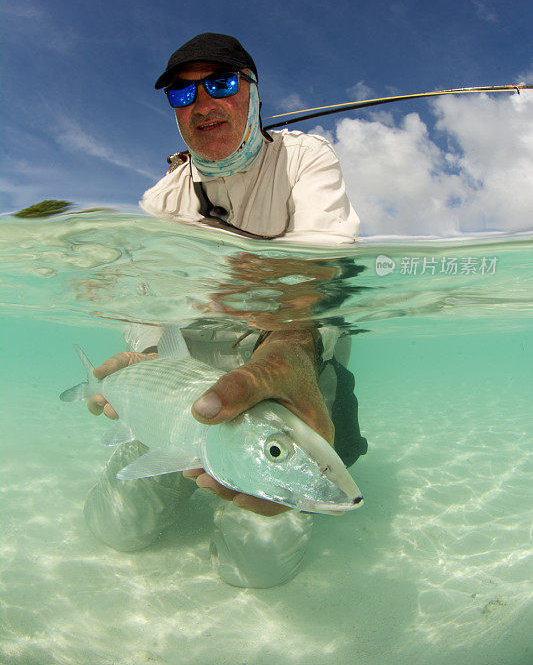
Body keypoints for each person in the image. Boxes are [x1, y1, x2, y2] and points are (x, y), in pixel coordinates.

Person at [85, 33, 367, 588]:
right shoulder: (160, 201)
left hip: (284, 377)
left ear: (254, 93)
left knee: (254, 570)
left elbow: (319, 260)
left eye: (221, 83)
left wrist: (288, 340)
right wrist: (143, 358)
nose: (202, 104)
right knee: (117, 530)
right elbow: (147, 302)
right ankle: (188, 475)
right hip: (181, 388)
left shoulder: (305, 158)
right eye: (183, 94)